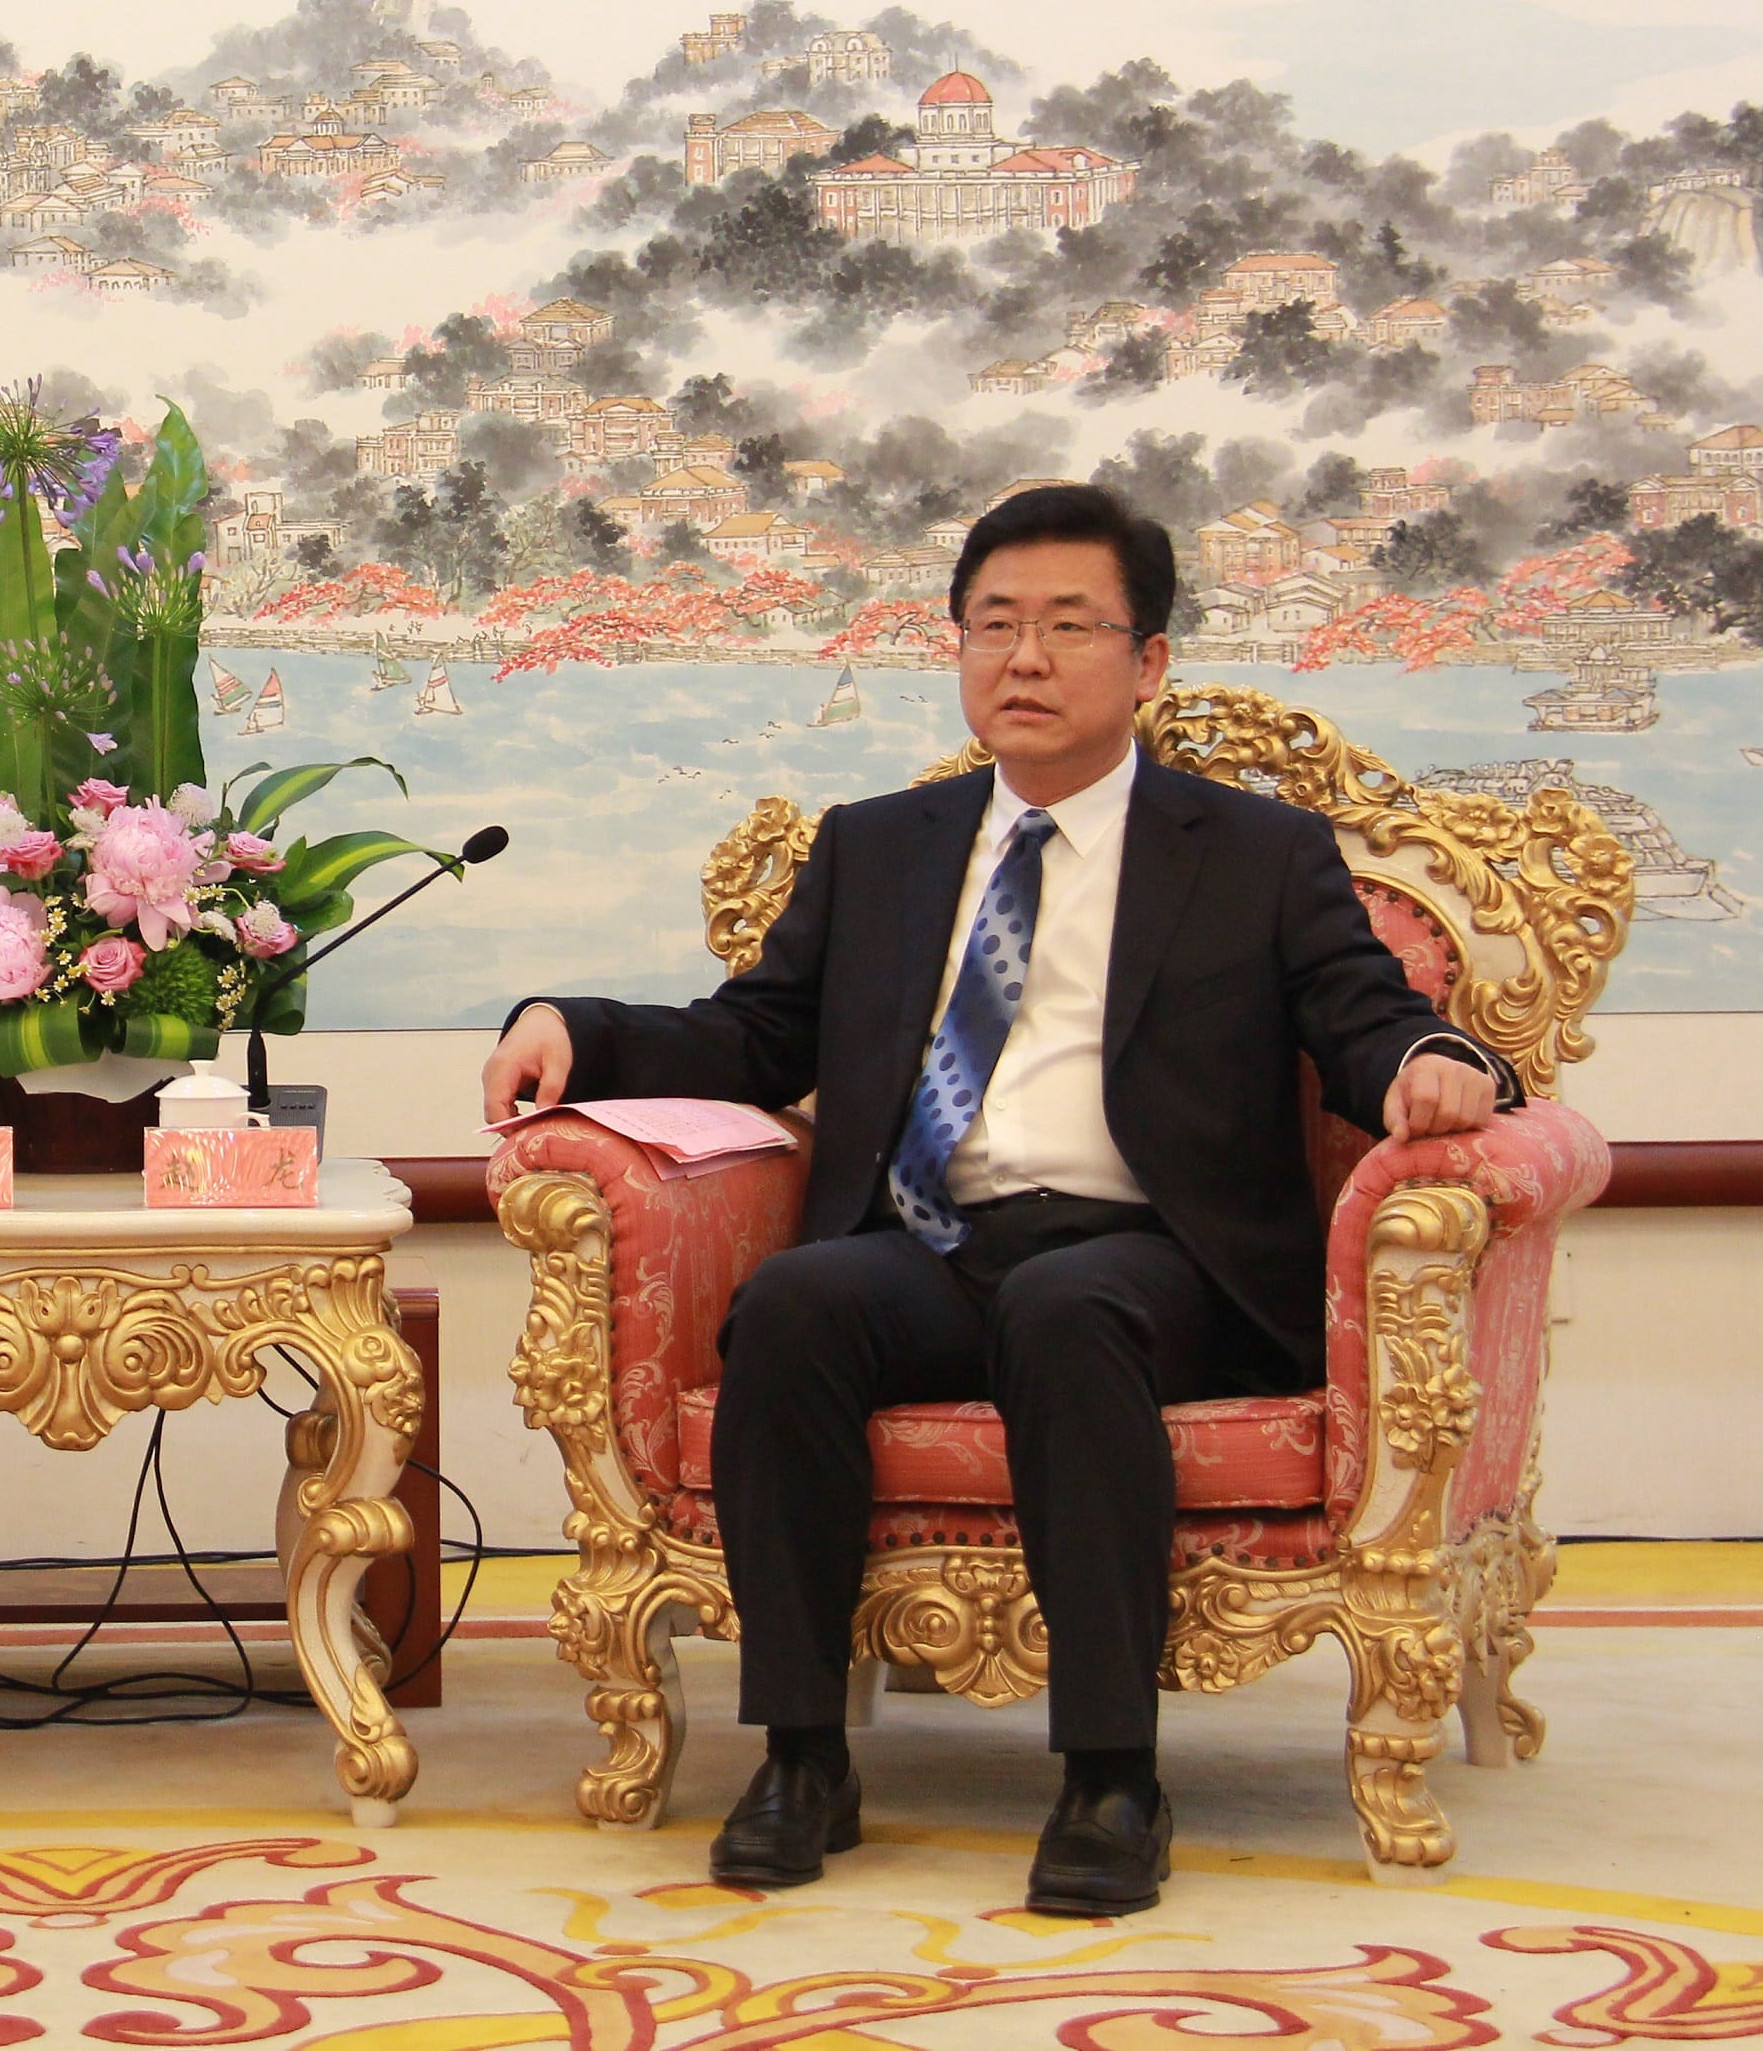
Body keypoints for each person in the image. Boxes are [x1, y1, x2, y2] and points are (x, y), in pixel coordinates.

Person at [478, 482, 1510, 1917]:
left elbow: (1358, 1017)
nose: (1022, 660)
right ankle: (797, 1754)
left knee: (1065, 1305)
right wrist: (575, 1027)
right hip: (932, 1239)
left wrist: (1433, 1058)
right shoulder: (879, 845)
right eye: (992, 626)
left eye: (1067, 627)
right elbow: (758, 1035)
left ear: (1146, 662)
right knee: (792, 1304)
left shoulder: (1255, 855)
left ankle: (1106, 1775)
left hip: (1150, 1259)